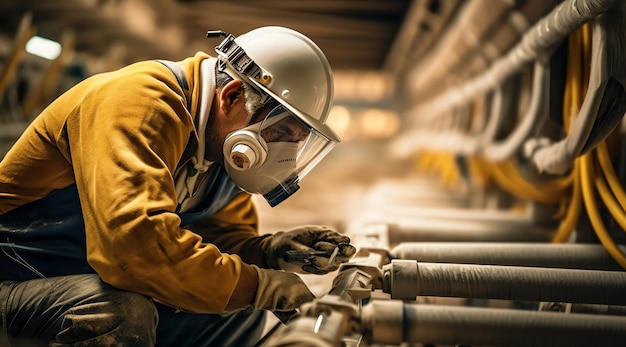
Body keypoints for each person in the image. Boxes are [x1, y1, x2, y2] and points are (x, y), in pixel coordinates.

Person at [0, 26, 356, 346]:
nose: (281, 153)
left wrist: (268, 252)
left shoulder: (221, 147)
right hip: (14, 280)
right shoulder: (138, 102)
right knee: (119, 313)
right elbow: (132, 251)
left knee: (237, 309)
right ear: (232, 96)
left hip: (78, 278)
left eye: (294, 141)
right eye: (279, 133)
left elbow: (215, 244)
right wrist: (259, 285)